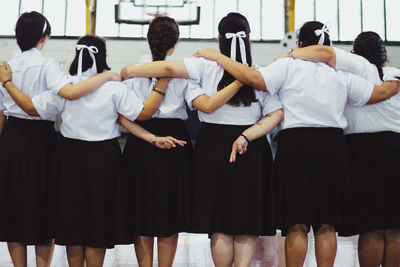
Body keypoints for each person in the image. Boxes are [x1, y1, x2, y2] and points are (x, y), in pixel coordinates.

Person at [192, 21, 400, 267]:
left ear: (300, 44)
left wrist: (217, 56)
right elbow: (379, 94)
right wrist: (393, 83)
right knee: (326, 225)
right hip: (332, 146)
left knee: (296, 225)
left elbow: (253, 77)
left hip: (295, 146)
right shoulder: (341, 74)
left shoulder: (286, 65)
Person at [0, 34, 186, 267]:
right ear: (104, 57)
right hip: (103, 160)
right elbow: (142, 114)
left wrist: (8, 83)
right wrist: (162, 82)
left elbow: (31, 108)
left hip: (69, 159)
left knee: (73, 224)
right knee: (97, 225)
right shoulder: (114, 87)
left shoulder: (64, 87)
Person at [121, 13, 283, 267]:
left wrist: (131, 70)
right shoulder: (258, 74)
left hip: (213, 147)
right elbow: (276, 114)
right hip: (251, 147)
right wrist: (247, 135)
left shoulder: (204, 65)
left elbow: (166, 68)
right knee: (246, 222)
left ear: (220, 39)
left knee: (218, 223)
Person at [0, 12, 120, 267]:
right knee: (44, 211)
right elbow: (70, 92)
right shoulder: (46, 65)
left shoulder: (5, 66)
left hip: (10, 140)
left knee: (14, 210)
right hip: (40, 140)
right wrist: (106, 75)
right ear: (44, 38)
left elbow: (0, 114)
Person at [279, 31, 400, 267]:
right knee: (395, 225)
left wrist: (289, 54)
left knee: (370, 225)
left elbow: (325, 53)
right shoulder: (395, 75)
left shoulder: (353, 70)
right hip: (395, 149)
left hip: (360, 151)